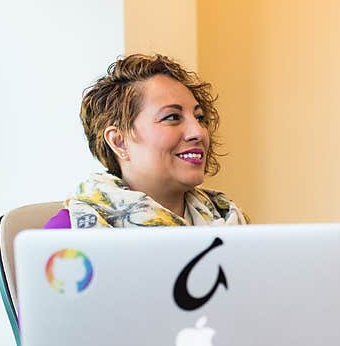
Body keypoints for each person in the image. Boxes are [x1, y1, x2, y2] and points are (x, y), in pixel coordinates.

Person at [45, 53, 249, 229]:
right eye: (172, 117)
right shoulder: (70, 231)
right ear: (119, 142)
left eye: (199, 118)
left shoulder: (229, 219)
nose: (198, 132)